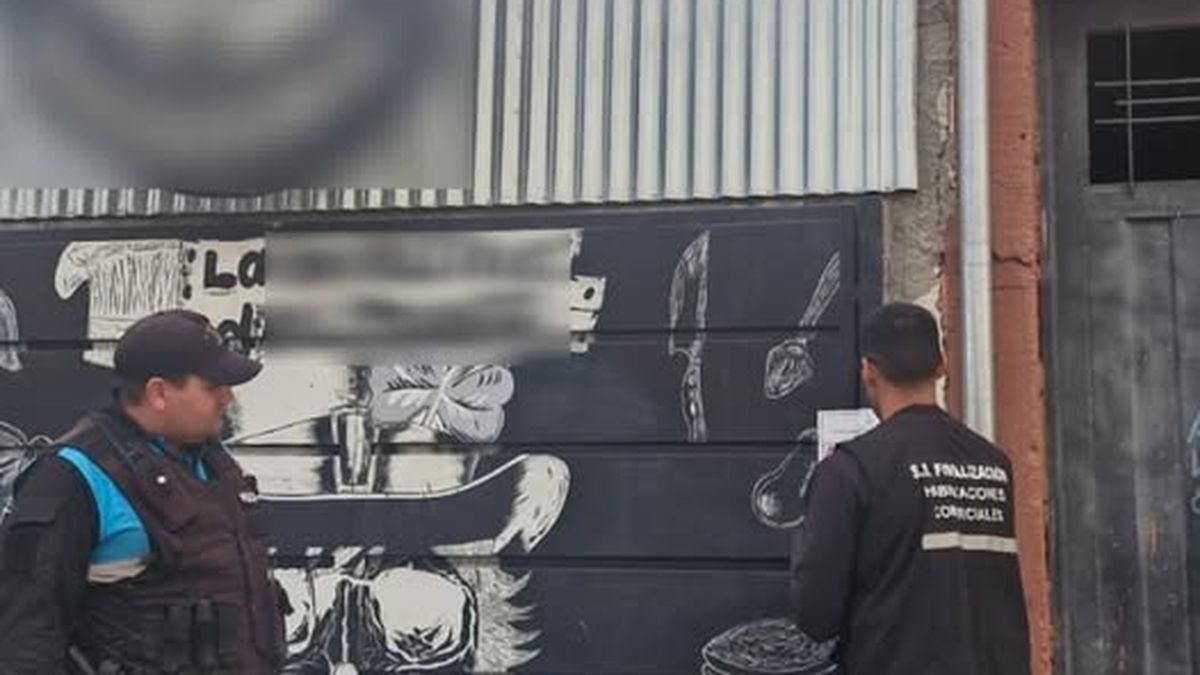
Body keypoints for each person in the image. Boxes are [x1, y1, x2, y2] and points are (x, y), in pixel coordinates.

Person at [0, 309, 286, 674]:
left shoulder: (212, 464)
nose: (227, 397)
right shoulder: (72, 475)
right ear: (159, 393)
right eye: (212, 386)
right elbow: (25, 640)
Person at [790, 302, 1030, 674]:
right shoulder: (994, 465)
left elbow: (816, 615)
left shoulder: (850, 471)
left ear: (868, 371)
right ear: (942, 366)